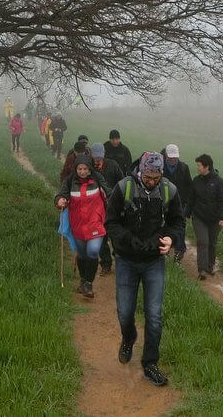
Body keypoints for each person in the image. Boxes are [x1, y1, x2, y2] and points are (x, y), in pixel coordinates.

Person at [105, 151, 185, 387]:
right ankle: (129, 337)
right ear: (140, 171)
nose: (151, 181)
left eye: (156, 177)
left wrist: (170, 238)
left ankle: (150, 363)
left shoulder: (169, 191)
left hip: (153, 261)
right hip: (126, 260)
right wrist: (127, 239)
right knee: (125, 311)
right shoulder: (123, 188)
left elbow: (177, 222)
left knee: (155, 316)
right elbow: (110, 222)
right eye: (148, 177)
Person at [55, 153, 110, 298]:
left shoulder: (97, 178)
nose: (82, 171)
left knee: (92, 251)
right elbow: (61, 194)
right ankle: (83, 280)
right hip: (77, 224)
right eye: (80, 169)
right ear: (76, 169)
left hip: (95, 223)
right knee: (82, 254)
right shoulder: (70, 181)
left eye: (85, 168)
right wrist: (60, 200)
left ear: (90, 169)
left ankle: (88, 284)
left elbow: (108, 192)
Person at [187, 153, 223, 280]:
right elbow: (191, 199)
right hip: (199, 217)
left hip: (215, 219)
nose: (197, 168)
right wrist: (186, 213)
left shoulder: (219, 182)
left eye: (199, 166)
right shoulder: (196, 180)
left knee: (212, 243)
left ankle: (210, 266)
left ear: (207, 167)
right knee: (203, 241)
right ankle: (202, 270)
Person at [89, 142, 124, 275]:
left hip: (113, 206)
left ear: (104, 155)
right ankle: (105, 264)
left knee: (116, 235)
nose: (98, 159)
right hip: (96, 208)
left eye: (100, 157)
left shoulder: (113, 165)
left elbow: (122, 182)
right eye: (95, 157)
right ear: (91, 155)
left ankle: (120, 261)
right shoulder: (89, 168)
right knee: (101, 237)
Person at [161, 144, 192, 262]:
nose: (173, 159)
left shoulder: (184, 168)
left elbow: (189, 186)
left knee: (180, 227)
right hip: (164, 202)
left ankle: (179, 251)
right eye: (170, 157)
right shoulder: (161, 167)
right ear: (166, 156)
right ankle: (165, 249)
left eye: (175, 157)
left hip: (180, 203)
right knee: (164, 225)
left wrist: (188, 205)